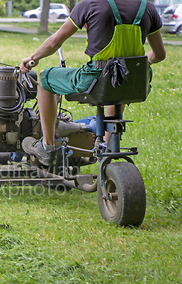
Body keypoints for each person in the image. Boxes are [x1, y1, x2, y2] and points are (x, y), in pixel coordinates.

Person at [20, 0, 166, 166]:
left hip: (95, 79)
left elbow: (54, 43)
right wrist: (134, 65)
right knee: (118, 82)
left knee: (45, 77)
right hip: (133, 81)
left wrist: (32, 58)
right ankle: (105, 148)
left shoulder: (90, 4)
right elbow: (159, 55)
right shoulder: (147, 8)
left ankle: (47, 146)